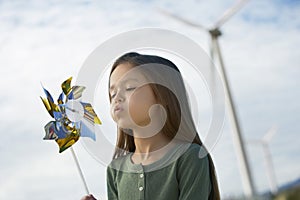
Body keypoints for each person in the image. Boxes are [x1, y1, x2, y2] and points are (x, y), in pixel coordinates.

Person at [81, 52, 220, 200]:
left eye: (129, 87)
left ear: (163, 94)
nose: (117, 98)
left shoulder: (189, 156)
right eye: (113, 93)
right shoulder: (115, 170)